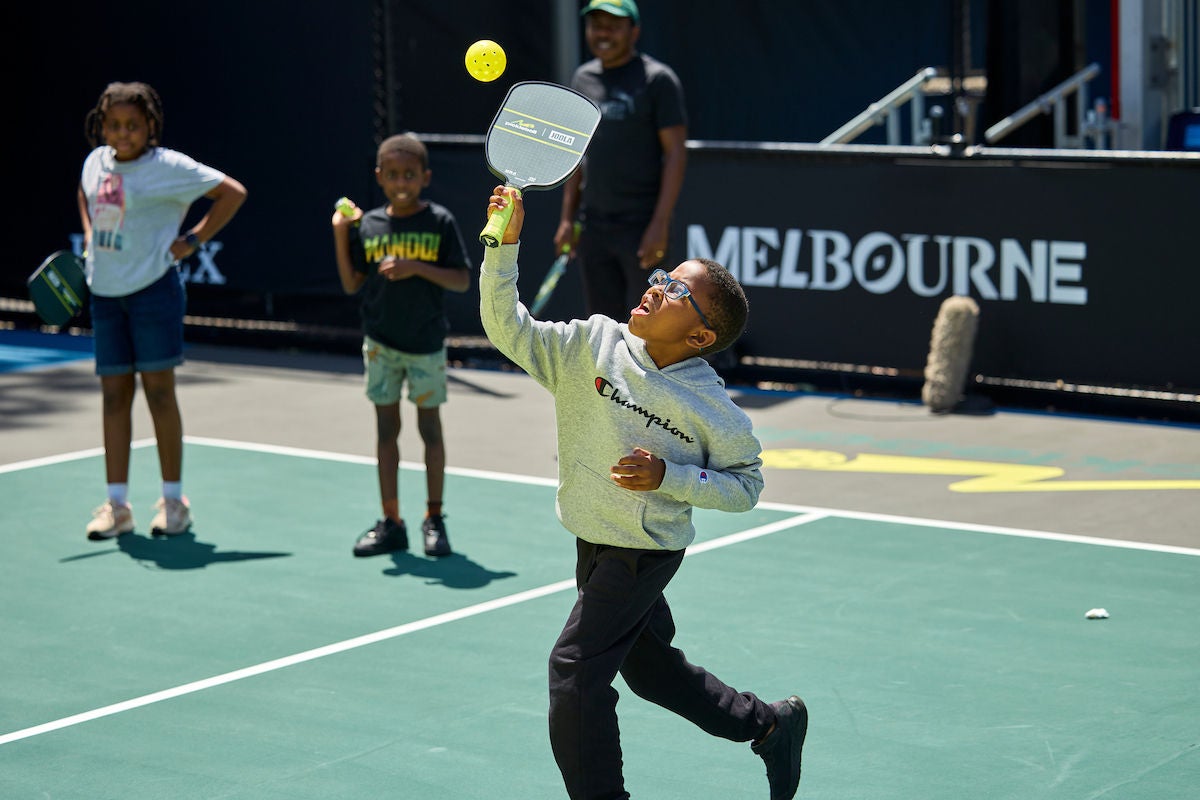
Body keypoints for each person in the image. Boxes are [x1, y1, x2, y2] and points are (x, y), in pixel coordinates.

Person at [481, 185, 807, 800]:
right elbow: (506, 327)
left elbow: (748, 486)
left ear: (700, 338)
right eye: (663, 276)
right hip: (593, 533)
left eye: (678, 291)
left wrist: (670, 478)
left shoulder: (713, 410)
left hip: (642, 550)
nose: (657, 287)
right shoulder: (590, 344)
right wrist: (504, 243)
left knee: (575, 674)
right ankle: (768, 724)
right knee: (651, 671)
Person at [78, 81, 247, 541]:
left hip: (154, 292)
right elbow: (85, 193)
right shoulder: (95, 162)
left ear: (150, 125)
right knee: (114, 397)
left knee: (158, 394)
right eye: (114, 125)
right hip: (105, 295)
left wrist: (190, 242)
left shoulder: (170, 167)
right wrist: (91, 235)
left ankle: (174, 503)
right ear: (102, 126)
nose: (123, 133)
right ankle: (117, 507)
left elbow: (232, 193)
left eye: (133, 125)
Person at [331, 133, 471, 559]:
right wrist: (341, 234)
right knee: (386, 431)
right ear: (380, 177)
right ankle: (391, 522)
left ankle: (434, 518)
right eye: (392, 174)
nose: (401, 181)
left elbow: (462, 280)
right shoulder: (368, 225)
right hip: (380, 346)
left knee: (430, 431)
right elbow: (351, 282)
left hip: (426, 345)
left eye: (410, 174)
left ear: (425, 177)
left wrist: (415, 267)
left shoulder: (440, 221)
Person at [554, 0, 689, 321]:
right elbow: (576, 153)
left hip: (641, 228)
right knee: (602, 325)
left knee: (652, 323)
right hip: (594, 226)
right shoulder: (582, 79)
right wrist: (567, 219)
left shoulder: (658, 80)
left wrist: (659, 225)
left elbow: (676, 153)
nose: (603, 34)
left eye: (613, 27)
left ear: (634, 32)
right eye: (596, 25)